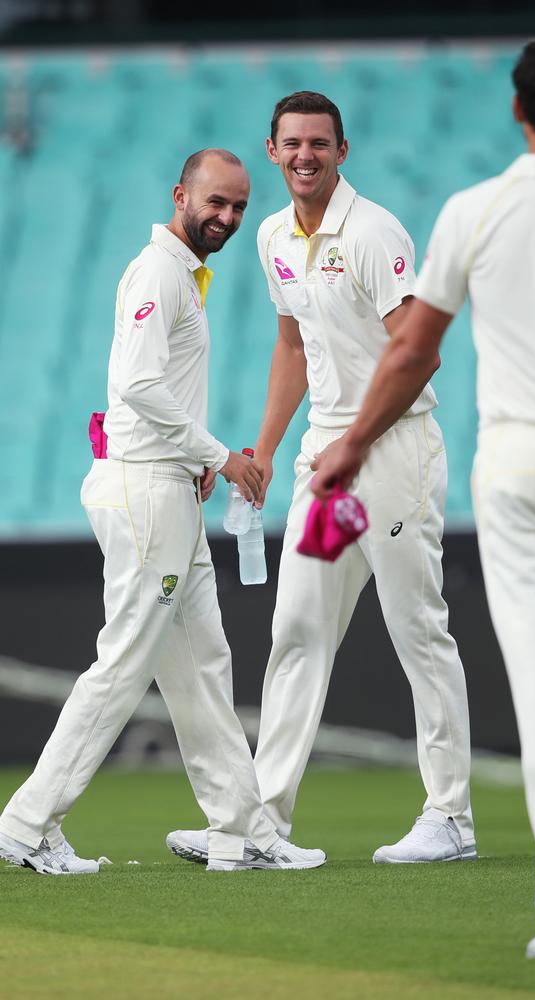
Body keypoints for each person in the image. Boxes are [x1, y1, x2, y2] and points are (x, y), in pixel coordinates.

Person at [310, 41, 535, 958]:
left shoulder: (477, 208)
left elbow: (414, 350)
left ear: (515, 107)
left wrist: (349, 442)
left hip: (522, 469)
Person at [168, 93, 476, 865]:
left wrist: (356, 442)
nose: (305, 155)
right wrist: (265, 450)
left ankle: (451, 818)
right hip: (325, 465)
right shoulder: (272, 234)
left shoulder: (372, 233)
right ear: (271, 152)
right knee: (296, 631)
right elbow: (294, 349)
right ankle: (262, 822)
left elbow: (420, 353)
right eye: (292, 144)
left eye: (319, 143)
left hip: (395, 454)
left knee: (418, 631)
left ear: (344, 151)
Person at [0, 149, 325, 875]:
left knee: (204, 664)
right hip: (146, 490)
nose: (228, 218)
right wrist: (216, 455)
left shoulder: (182, 274)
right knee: (122, 665)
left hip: (165, 484)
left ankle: (242, 834)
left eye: (239, 207)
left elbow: (154, 391)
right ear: (181, 194)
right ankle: (25, 825)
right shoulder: (158, 272)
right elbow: (138, 384)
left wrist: (192, 462)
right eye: (216, 202)